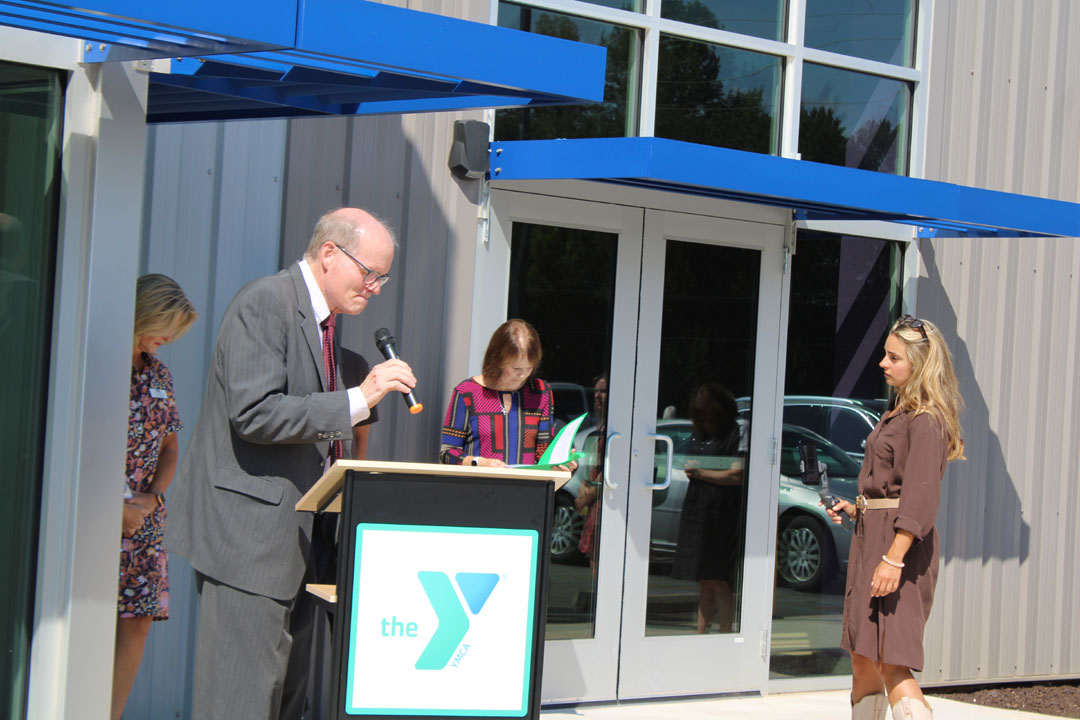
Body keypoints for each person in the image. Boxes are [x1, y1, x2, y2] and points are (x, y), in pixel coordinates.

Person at [166, 208, 416, 720]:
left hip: (304, 545)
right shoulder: (265, 302)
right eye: (369, 273)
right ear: (329, 253)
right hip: (249, 545)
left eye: (382, 278)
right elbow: (253, 413)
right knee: (240, 702)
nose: (374, 289)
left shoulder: (326, 329)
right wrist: (358, 398)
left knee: (285, 704)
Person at [824, 315, 964, 720]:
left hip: (899, 551)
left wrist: (893, 557)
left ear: (919, 364)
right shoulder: (899, 412)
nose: (883, 363)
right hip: (875, 539)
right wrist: (856, 509)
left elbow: (921, 496)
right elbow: (888, 488)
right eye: (885, 354)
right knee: (863, 656)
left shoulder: (926, 420)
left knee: (891, 659)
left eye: (893, 357)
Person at [111, 274, 197, 720]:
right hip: (94, 514)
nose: (166, 340)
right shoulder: (100, 360)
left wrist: (151, 500)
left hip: (143, 520)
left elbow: (169, 446)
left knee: (136, 623)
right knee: (90, 616)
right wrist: (115, 508)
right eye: (164, 328)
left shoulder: (158, 371)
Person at [439, 319, 574, 472]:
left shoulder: (540, 391)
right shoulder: (467, 392)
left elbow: (543, 451)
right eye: (516, 368)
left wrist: (560, 461)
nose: (522, 375)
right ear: (497, 359)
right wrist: (479, 462)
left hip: (525, 490)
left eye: (529, 367)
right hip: (477, 489)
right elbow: (448, 452)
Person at [670, 382, 746, 634]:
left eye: (705, 414)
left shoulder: (735, 434)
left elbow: (737, 476)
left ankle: (725, 634)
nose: (702, 420)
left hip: (721, 512)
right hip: (699, 509)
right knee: (704, 580)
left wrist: (701, 472)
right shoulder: (702, 435)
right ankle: (701, 635)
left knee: (720, 580)